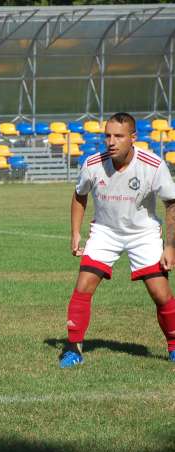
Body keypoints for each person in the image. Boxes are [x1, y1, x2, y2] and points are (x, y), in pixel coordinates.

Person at [60, 112, 175, 368]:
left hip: (143, 234)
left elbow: (171, 203)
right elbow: (79, 195)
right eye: (108, 136)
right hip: (105, 232)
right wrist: (75, 233)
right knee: (83, 285)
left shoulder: (152, 165)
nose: (111, 141)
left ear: (133, 138)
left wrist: (170, 246)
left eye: (118, 136)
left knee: (160, 293)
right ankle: (73, 349)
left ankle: (173, 344)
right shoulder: (92, 164)